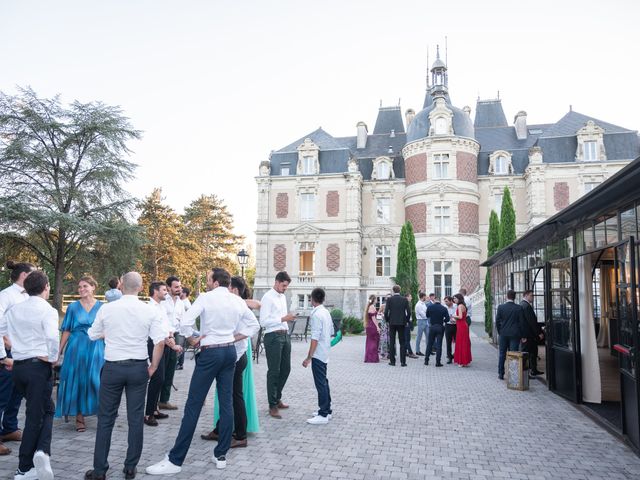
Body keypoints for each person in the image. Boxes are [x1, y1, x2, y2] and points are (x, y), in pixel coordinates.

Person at [146, 268, 259, 474]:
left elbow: (186, 322)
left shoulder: (206, 298)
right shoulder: (236, 300)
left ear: (215, 282)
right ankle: (221, 454)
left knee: (193, 405)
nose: (206, 282)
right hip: (228, 353)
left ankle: (175, 460)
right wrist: (232, 338)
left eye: (208, 279)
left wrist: (191, 338)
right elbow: (254, 325)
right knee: (226, 403)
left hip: (211, 353)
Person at [84, 272, 166, 480]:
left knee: (105, 419)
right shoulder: (149, 310)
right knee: (135, 418)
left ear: (121, 286)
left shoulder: (107, 308)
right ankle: (130, 466)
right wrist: (153, 367)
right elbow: (160, 341)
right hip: (138, 367)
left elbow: (92, 334)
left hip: (112, 367)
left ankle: (100, 470)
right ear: (140, 287)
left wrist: (109, 333)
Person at [0, 270, 58, 480]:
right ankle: (26, 466)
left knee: (45, 410)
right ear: (46, 287)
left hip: (18, 368)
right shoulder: (48, 310)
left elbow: (0, 329)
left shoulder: (15, 309)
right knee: (38, 415)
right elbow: (52, 337)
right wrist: (52, 357)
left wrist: (2, 356)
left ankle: (40, 453)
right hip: (37, 368)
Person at [202, 276, 260, 447]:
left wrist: (229, 338)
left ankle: (241, 436)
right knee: (226, 396)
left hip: (236, 355)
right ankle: (221, 429)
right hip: (233, 356)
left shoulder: (239, 306)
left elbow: (253, 323)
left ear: (234, 290)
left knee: (235, 396)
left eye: (227, 289)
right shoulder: (233, 305)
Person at [55, 276, 105, 432]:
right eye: (79, 287)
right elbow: (67, 330)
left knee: (94, 379)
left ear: (93, 287)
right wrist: (58, 351)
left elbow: (109, 328)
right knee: (76, 379)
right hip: (76, 347)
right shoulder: (73, 307)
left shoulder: (102, 307)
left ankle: (100, 411)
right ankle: (79, 417)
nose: (82, 289)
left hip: (96, 347)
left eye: (85, 286)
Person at [0, 261, 34, 456]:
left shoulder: (28, 296)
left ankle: (10, 427)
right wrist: (4, 352)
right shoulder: (5, 296)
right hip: (7, 353)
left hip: (23, 351)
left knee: (16, 393)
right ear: (23, 276)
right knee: (2, 394)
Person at [145, 282, 182, 427]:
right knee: (157, 378)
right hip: (154, 344)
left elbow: (167, 326)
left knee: (161, 378)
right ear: (155, 291)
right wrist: (172, 344)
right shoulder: (149, 308)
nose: (166, 292)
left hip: (165, 343)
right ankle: (148, 414)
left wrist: (171, 337)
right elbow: (156, 330)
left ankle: (154, 410)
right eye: (164, 290)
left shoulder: (161, 306)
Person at [259, 271, 296, 419]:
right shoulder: (267, 297)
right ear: (277, 282)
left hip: (284, 335)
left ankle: (277, 397)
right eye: (284, 285)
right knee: (274, 371)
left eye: (286, 286)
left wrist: (287, 320)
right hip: (273, 337)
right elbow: (263, 322)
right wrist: (283, 318)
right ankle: (272, 405)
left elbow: (281, 318)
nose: (285, 288)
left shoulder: (282, 297)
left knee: (286, 369)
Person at [303, 287, 334, 425]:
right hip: (325, 351)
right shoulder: (326, 312)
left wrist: (309, 357)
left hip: (319, 353)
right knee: (324, 381)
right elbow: (331, 331)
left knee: (320, 383)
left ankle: (323, 414)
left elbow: (314, 338)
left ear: (312, 299)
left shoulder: (316, 315)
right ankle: (327, 409)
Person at [159, 276, 186, 407]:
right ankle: (155, 402)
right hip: (163, 337)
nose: (179, 289)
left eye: (180, 287)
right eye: (176, 287)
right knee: (161, 371)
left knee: (170, 370)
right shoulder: (163, 301)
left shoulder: (181, 303)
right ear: (168, 287)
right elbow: (160, 322)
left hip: (175, 336)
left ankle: (164, 400)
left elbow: (183, 322)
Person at [495, 289, 525, 380]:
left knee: (502, 354)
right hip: (515, 334)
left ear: (506, 296)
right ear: (514, 297)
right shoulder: (519, 308)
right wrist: (523, 335)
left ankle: (501, 373)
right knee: (513, 354)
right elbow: (522, 323)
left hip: (503, 334)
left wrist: (500, 332)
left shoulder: (501, 307)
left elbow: (497, 321)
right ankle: (513, 374)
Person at [384, 285, 411, 367]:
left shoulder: (389, 299)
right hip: (402, 323)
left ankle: (392, 361)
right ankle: (403, 362)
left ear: (393, 290)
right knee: (402, 342)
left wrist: (388, 320)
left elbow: (386, 312)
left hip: (392, 322)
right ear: (400, 290)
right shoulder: (404, 299)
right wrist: (406, 320)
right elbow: (409, 312)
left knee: (392, 342)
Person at [520, 290, 544, 377]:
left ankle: (533, 370)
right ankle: (526, 373)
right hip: (528, 335)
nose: (532, 297)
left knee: (533, 352)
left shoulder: (522, 305)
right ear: (526, 295)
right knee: (527, 354)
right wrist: (539, 333)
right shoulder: (526, 306)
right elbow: (532, 322)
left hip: (527, 335)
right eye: (531, 295)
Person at [424, 296, 449, 367]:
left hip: (432, 327)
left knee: (429, 344)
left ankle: (426, 360)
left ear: (434, 300)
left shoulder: (430, 307)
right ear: (440, 301)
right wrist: (442, 320)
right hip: (440, 327)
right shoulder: (444, 308)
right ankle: (438, 362)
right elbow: (447, 319)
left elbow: (427, 315)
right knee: (439, 345)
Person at [452, 293, 472, 367]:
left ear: (459, 299)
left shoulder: (460, 306)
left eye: (455, 299)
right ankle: (464, 361)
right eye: (454, 299)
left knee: (461, 343)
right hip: (463, 325)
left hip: (462, 326)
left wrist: (453, 316)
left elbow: (460, 317)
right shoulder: (463, 305)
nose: (454, 300)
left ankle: (461, 362)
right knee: (464, 342)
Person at [363, 295, 380, 363]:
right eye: (376, 299)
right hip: (372, 325)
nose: (377, 300)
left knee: (369, 341)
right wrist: (377, 327)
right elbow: (373, 319)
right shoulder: (372, 306)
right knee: (374, 341)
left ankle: (368, 357)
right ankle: (372, 358)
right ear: (373, 300)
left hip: (369, 325)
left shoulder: (369, 306)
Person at [443, 296, 457, 364]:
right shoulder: (444, 307)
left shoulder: (456, 306)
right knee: (448, 342)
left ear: (451, 301)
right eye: (445, 301)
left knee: (457, 342)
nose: (445, 303)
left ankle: (455, 355)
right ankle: (449, 357)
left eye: (446, 301)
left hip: (456, 326)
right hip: (448, 326)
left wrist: (454, 320)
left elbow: (458, 315)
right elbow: (443, 316)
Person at [403, 293, 418, 359]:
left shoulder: (408, 303)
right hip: (406, 322)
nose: (411, 298)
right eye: (410, 296)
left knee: (407, 338)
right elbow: (405, 314)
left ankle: (405, 352)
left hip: (408, 322)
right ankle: (410, 352)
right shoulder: (405, 304)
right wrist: (407, 322)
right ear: (407, 297)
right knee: (407, 339)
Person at [377, 296, 390, 360]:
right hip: (384, 324)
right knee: (384, 338)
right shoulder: (383, 305)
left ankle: (390, 353)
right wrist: (381, 314)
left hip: (390, 324)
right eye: (387, 298)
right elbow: (378, 313)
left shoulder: (392, 305)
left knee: (390, 338)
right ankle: (383, 353)